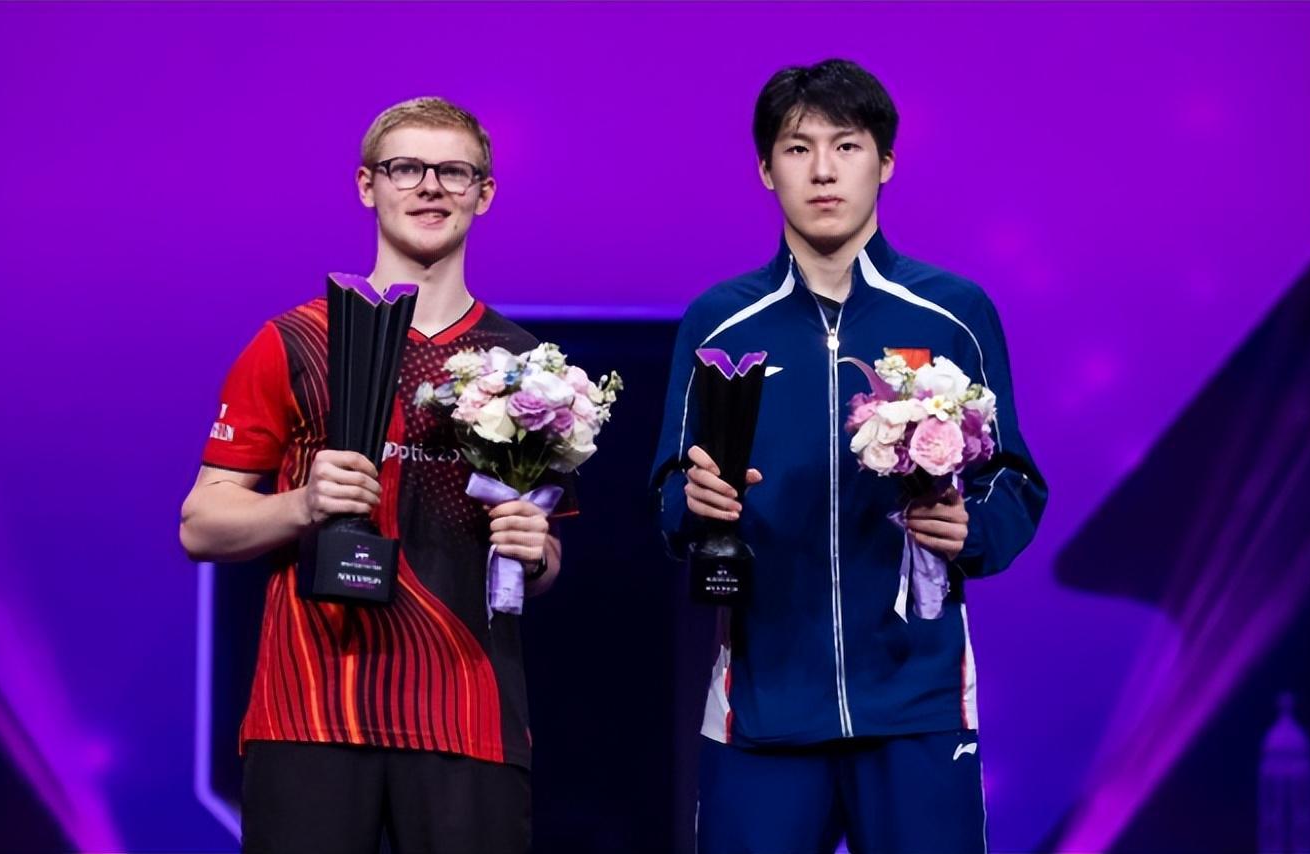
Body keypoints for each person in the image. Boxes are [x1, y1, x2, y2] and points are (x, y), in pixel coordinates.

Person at [650, 59, 1048, 854]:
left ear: (885, 162)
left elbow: (1012, 477)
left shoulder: (952, 311)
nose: (824, 171)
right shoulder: (720, 321)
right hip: (762, 710)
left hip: (917, 705)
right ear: (766, 170)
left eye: (847, 145)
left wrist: (970, 530)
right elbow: (667, 491)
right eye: (798, 149)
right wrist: (692, 506)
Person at [180, 96, 571, 854]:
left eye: (454, 172)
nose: (430, 187)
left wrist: (538, 551)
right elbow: (201, 524)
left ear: (484, 194)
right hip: (311, 711)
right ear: (368, 185)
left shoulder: (528, 366)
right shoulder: (295, 340)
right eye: (405, 168)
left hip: (468, 716)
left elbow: (545, 559)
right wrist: (303, 503)